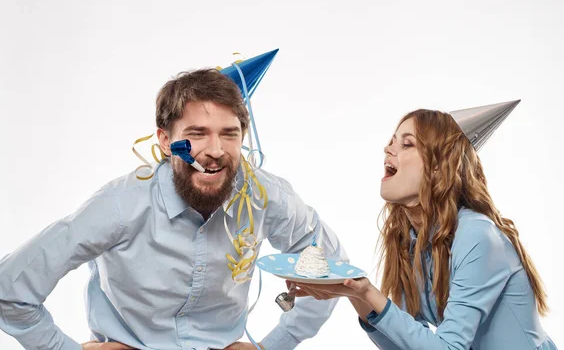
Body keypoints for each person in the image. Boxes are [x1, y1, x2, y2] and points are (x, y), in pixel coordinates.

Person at [0, 67, 347, 350]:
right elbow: (10, 289)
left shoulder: (265, 196)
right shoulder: (120, 204)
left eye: (229, 134)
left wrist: (273, 345)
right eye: (197, 133)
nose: (215, 150)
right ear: (166, 141)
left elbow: (332, 267)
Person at [288, 103, 557, 350]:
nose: (388, 149)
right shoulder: (410, 239)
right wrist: (356, 296)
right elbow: (408, 343)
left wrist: (370, 292)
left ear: (439, 167)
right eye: (392, 141)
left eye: (407, 144)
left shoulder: (478, 235)